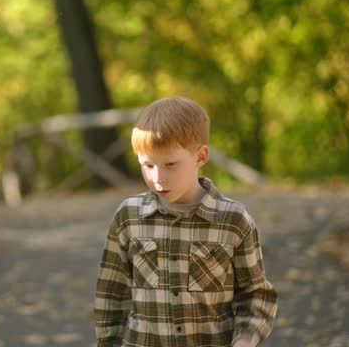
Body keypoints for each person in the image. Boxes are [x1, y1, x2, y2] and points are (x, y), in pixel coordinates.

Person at [94, 97, 277, 347]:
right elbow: (111, 296)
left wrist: (245, 341)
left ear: (200, 157)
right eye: (147, 165)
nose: (158, 178)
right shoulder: (128, 217)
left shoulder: (233, 220)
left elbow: (256, 296)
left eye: (170, 164)